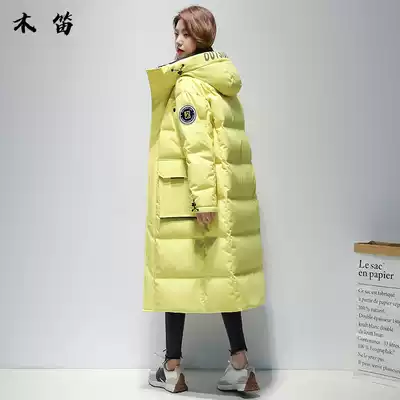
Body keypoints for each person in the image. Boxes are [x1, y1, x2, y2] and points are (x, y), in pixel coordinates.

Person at [143, 5, 265, 394]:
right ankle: (240, 366)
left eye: (186, 33)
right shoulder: (221, 82)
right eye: (176, 32)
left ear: (202, 37)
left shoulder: (188, 85)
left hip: (190, 202)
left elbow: (197, 148)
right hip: (223, 200)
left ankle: (172, 369)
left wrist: (203, 201)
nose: (178, 40)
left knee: (174, 278)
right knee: (223, 278)